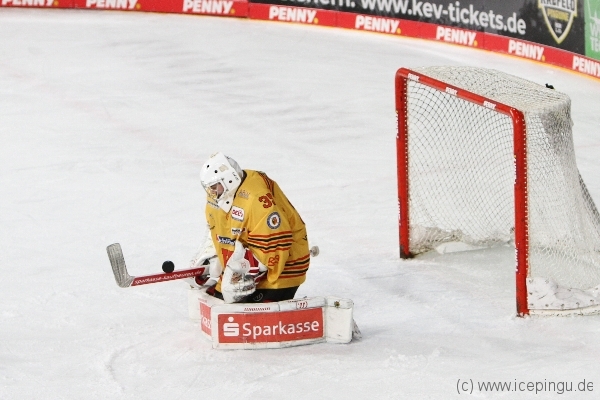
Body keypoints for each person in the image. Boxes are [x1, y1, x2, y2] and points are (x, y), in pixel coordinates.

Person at [188, 152, 311, 303]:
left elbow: (275, 247)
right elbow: (215, 227)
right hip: (243, 258)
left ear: (229, 180)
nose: (211, 192)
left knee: (237, 306)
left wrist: (241, 270)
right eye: (209, 188)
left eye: (214, 187)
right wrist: (210, 256)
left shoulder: (256, 199)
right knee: (220, 301)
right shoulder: (220, 195)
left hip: (283, 265)